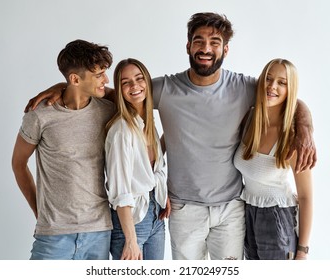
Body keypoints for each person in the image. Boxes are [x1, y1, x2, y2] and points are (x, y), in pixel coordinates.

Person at [23, 12, 316, 260]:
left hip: (231, 207)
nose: (205, 48)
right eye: (198, 41)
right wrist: (63, 87)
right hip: (183, 209)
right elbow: (123, 92)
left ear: (225, 50)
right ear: (188, 46)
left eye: (215, 42)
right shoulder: (165, 89)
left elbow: (282, 94)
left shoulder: (243, 87)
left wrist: (305, 126)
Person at [11, 39, 115, 260]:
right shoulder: (40, 115)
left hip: (99, 232)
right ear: (75, 79)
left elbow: (134, 99)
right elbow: (18, 164)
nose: (105, 80)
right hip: (53, 235)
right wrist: (39, 211)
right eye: (98, 75)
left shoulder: (107, 111)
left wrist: (61, 87)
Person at [233, 58, 313, 260]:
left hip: (277, 218)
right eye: (268, 79)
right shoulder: (250, 119)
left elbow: (305, 197)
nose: (272, 86)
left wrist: (302, 251)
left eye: (282, 82)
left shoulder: (293, 137)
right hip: (248, 211)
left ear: (290, 89)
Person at [105, 58, 170, 260]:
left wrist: (161, 193)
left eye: (139, 78)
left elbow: (151, 170)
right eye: (126, 82)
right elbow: (120, 191)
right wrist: (131, 241)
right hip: (131, 222)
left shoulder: (148, 124)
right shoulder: (121, 131)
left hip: (155, 216)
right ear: (119, 89)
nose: (134, 86)